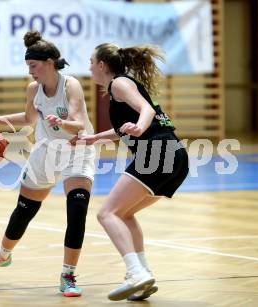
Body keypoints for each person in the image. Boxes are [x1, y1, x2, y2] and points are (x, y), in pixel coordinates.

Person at [0, 30, 95, 298]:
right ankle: (2, 255)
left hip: (77, 149)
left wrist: (61, 123)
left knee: (77, 208)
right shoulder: (34, 89)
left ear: (50, 62)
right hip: (46, 152)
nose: (31, 72)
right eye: (28, 67)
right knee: (24, 209)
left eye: (33, 66)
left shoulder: (70, 85)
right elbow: (29, 119)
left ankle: (68, 275)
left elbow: (79, 123)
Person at [71, 43, 189, 301]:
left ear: (102, 65)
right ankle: (143, 275)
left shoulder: (118, 84)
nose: (89, 66)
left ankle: (135, 272)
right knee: (124, 214)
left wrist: (139, 127)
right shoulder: (121, 87)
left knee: (106, 214)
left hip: (158, 151)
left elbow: (146, 110)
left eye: (92, 61)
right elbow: (129, 124)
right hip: (175, 154)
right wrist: (94, 138)